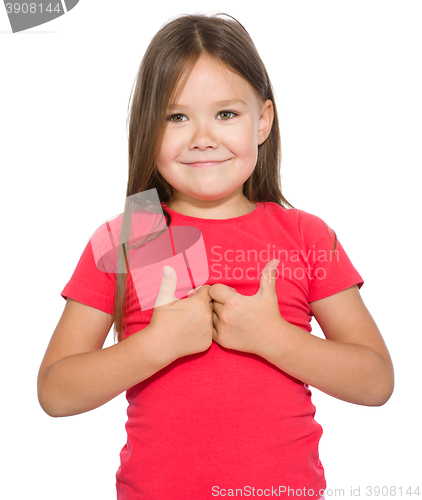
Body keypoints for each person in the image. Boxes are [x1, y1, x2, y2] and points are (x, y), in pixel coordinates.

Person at [37, 13, 394, 500]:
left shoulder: (305, 235)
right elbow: (56, 392)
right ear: (149, 126)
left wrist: (273, 339)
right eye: (176, 116)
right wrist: (155, 345)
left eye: (226, 114)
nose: (202, 136)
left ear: (263, 120)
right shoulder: (134, 234)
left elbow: (375, 381)